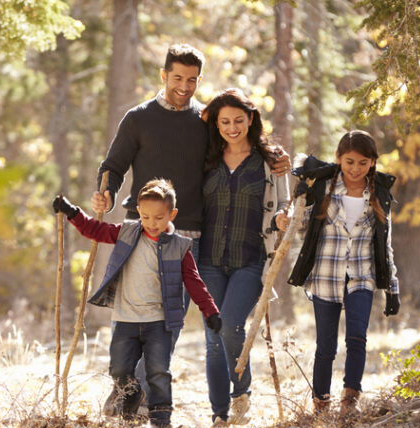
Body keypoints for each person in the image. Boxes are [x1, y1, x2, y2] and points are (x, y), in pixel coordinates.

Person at [92, 43, 290, 407]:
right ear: (164, 75)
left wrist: (276, 157)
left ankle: (137, 398)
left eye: (193, 80)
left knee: (170, 321)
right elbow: (113, 166)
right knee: (134, 315)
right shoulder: (138, 118)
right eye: (178, 77)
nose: (184, 86)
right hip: (140, 231)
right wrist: (104, 192)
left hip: (189, 237)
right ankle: (125, 388)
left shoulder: (205, 121)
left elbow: (241, 144)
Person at [53, 180, 222, 428]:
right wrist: (72, 212)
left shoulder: (179, 246)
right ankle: (131, 395)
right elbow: (95, 230)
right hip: (125, 319)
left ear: (172, 214)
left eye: (158, 217)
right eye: (145, 216)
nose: (152, 223)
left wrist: (210, 310)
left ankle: (161, 420)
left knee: (158, 372)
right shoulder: (128, 232)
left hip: (159, 322)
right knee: (119, 369)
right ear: (138, 212)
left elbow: (194, 281)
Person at [286, 130, 401, 417]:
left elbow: (385, 244)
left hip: (361, 275)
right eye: (349, 161)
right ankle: (320, 402)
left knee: (357, 338)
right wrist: (300, 204)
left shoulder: (379, 194)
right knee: (326, 345)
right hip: (325, 276)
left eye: (363, 163)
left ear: (373, 162)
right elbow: (302, 230)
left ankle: (350, 399)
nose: (355, 169)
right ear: (338, 158)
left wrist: (392, 288)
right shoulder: (323, 187)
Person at [197, 89, 290, 428]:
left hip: (251, 259)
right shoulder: (205, 157)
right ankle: (219, 414)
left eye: (238, 120)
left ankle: (241, 391)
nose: (232, 127)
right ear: (217, 124)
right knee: (212, 337)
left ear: (251, 119)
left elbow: (285, 204)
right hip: (208, 259)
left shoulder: (270, 161)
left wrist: (283, 217)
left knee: (231, 325)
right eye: (225, 121)